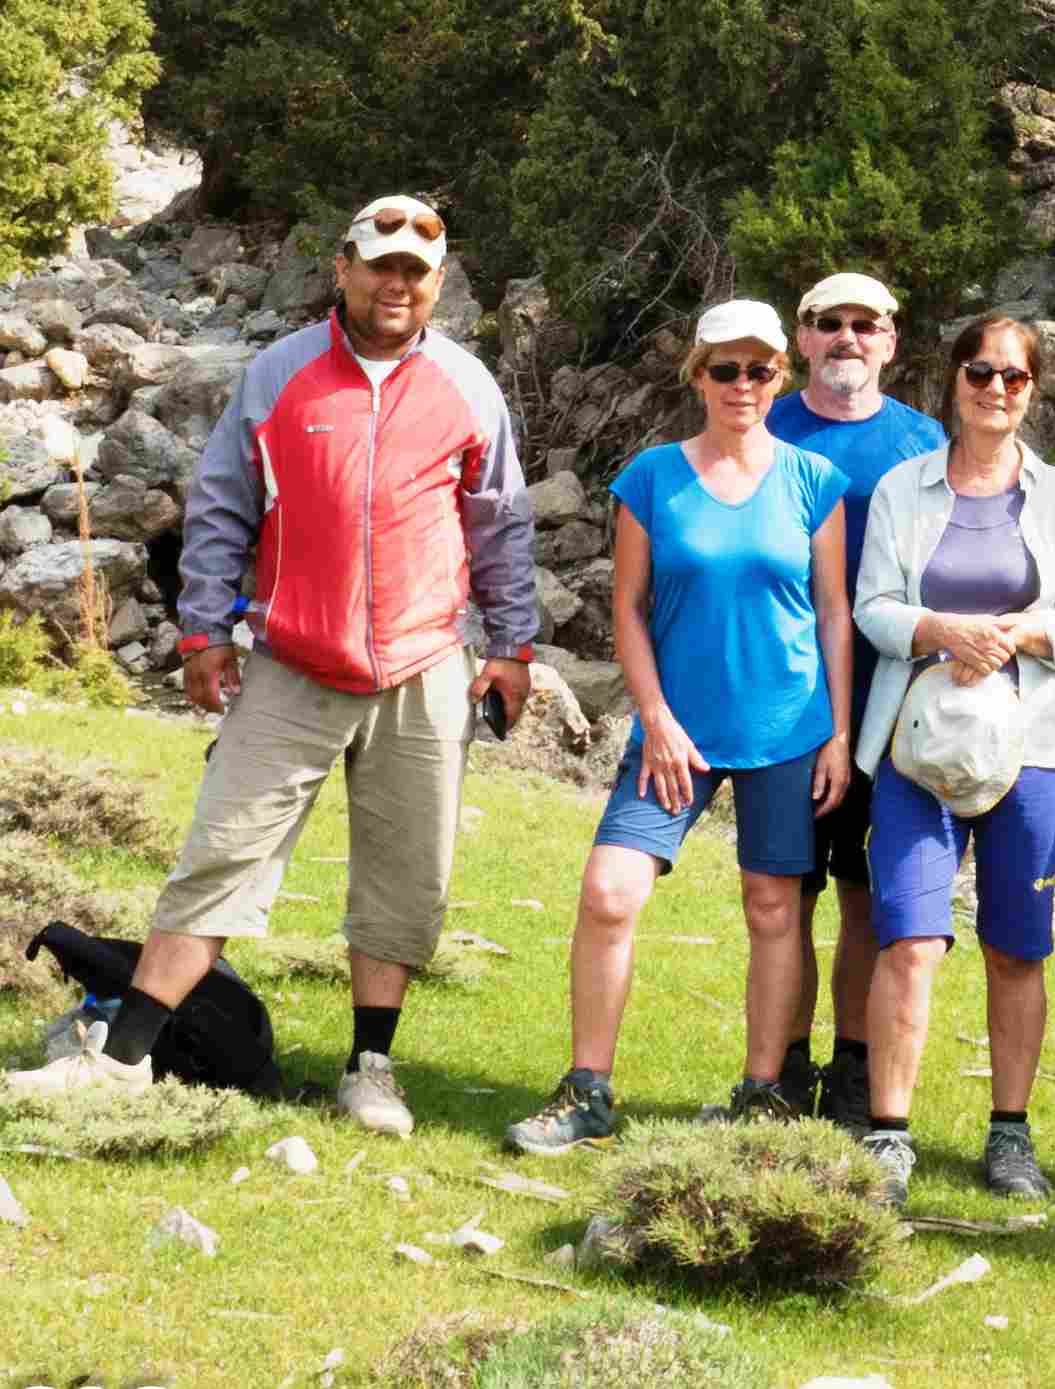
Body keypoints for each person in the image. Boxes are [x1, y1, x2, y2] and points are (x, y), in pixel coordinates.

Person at [4, 194, 538, 1138]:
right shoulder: (279, 374)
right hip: (290, 659)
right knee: (221, 852)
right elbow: (221, 505)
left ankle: (371, 1067)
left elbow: (499, 523)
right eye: (379, 264)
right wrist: (206, 630)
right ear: (343, 267)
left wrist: (512, 646)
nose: (395, 283)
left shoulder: (469, 387)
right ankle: (124, 1058)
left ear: (439, 282)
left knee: (409, 874)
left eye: (416, 270)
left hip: (423, 663)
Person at [504, 299, 851, 1153]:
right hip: (675, 734)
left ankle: (763, 1092)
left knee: (774, 907)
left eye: (760, 370)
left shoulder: (814, 481)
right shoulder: (652, 477)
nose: (743, 385)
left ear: (782, 377)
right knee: (609, 889)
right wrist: (653, 717)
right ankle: (587, 1089)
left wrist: (839, 733)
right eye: (725, 369)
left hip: (787, 729)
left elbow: (835, 612)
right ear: (697, 375)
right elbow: (627, 608)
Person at [850, 314, 1055, 1208]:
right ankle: (889, 1135)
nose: (996, 389)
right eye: (979, 372)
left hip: (1032, 747)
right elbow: (873, 606)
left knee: (1016, 946)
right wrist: (938, 629)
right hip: (916, 748)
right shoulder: (902, 489)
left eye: (1014, 377)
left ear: (1032, 390)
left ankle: (1010, 1134)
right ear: (953, 380)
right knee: (911, 938)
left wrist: (1016, 633)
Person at [765, 272, 947, 1133]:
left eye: (864, 324)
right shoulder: (762, 424)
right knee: (784, 894)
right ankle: (783, 1060)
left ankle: (851, 1064)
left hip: (891, 706)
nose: (846, 337)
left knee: (863, 894)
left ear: (890, 341)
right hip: (784, 703)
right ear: (801, 338)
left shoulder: (923, 442)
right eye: (826, 323)